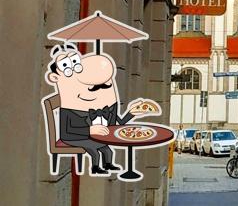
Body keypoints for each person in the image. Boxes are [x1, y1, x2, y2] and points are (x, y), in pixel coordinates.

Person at [44, 42, 155, 176]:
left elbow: (117, 124)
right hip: (72, 137)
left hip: (89, 134)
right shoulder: (69, 108)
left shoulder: (99, 106)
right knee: (93, 149)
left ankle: (108, 164)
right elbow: (67, 130)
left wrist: (132, 113)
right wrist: (89, 130)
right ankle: (96, 167)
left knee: (107, 149)